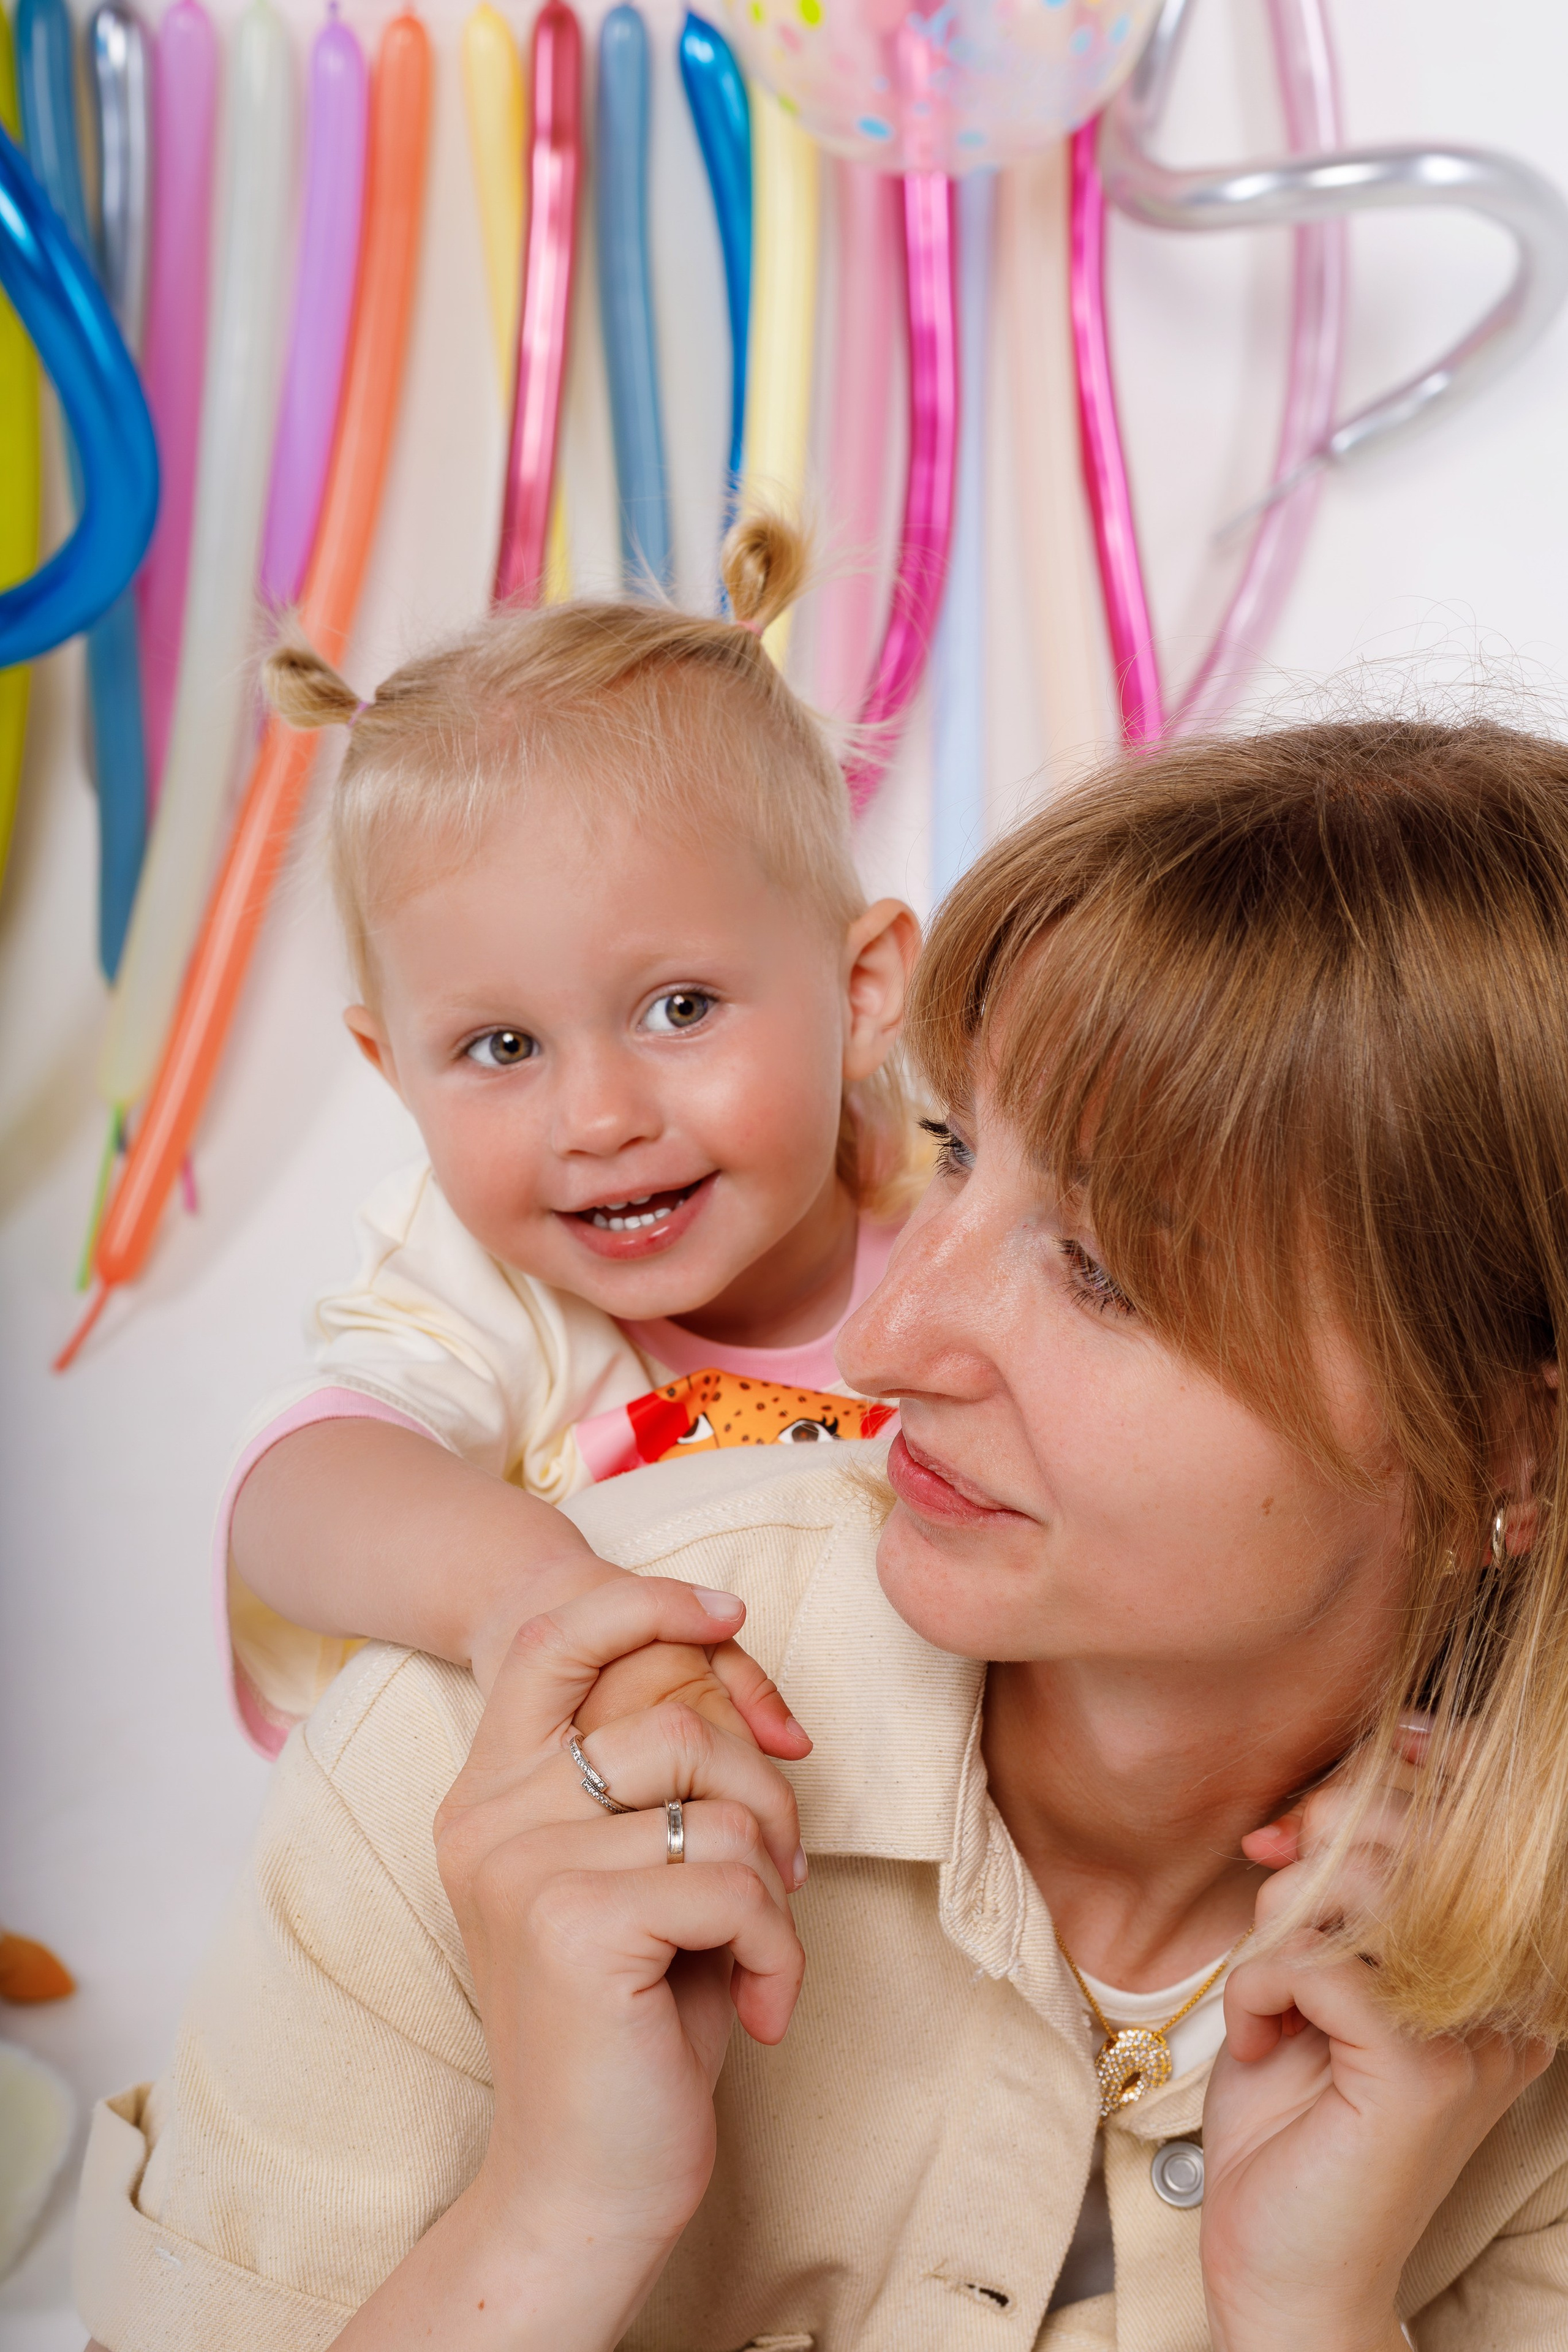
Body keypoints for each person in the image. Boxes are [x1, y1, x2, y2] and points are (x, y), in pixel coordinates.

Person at [78, 717, 1568, 2350]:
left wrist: (1314, 2306)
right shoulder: (485, 1767)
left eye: (1107, 1272)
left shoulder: (1516, 1979)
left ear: (1519, 1444)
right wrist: (561, 2208)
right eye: (948, 1152)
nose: (882, 1345)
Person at [219, 513, 919, 1760]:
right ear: (392, 1070)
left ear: (859, 991)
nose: (597, 1120)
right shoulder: (480, 1289)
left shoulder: (974, 1208)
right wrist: (528, 1594)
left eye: (679, 1009)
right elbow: (292, 1491)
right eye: (500, 1048)